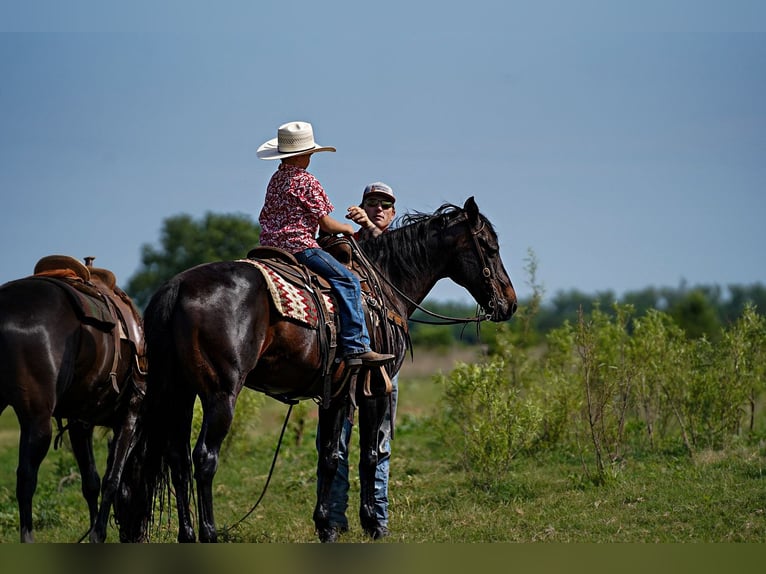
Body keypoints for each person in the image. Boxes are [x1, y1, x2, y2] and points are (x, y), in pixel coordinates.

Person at [257, 121, 395, 368]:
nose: (310, 157)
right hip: (300, 247)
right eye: (309, 153)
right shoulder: (307, 181)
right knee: (348, 280)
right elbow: (327, 225)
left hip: (269, 248)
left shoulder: (275, 179)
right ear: (302, 155)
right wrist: (348, 228)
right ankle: (356, 346)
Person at [319, 182, 400, 541]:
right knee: (335, 442)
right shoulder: (349, 244)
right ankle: (335, 517)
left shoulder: (399, 246)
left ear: (393, 213)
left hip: (380, 368)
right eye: (372, 203)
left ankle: (377, 517)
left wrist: (365, 224)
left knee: (378, 445)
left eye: (385, 205)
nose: (379, 208)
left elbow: (383, 250)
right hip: (344, 366)